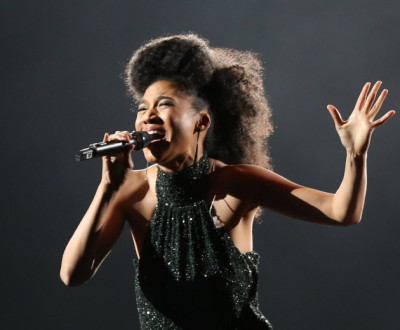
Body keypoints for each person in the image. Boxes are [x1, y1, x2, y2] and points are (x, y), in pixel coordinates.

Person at [60, 34, 395, 329]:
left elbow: (341, 212)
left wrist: (355, 154)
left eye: (163, 105)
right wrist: (108, 189)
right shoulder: (131, 191)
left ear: (201, 122)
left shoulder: (236, 183)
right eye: (142, 107)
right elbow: (72, 275)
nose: (148, 116)